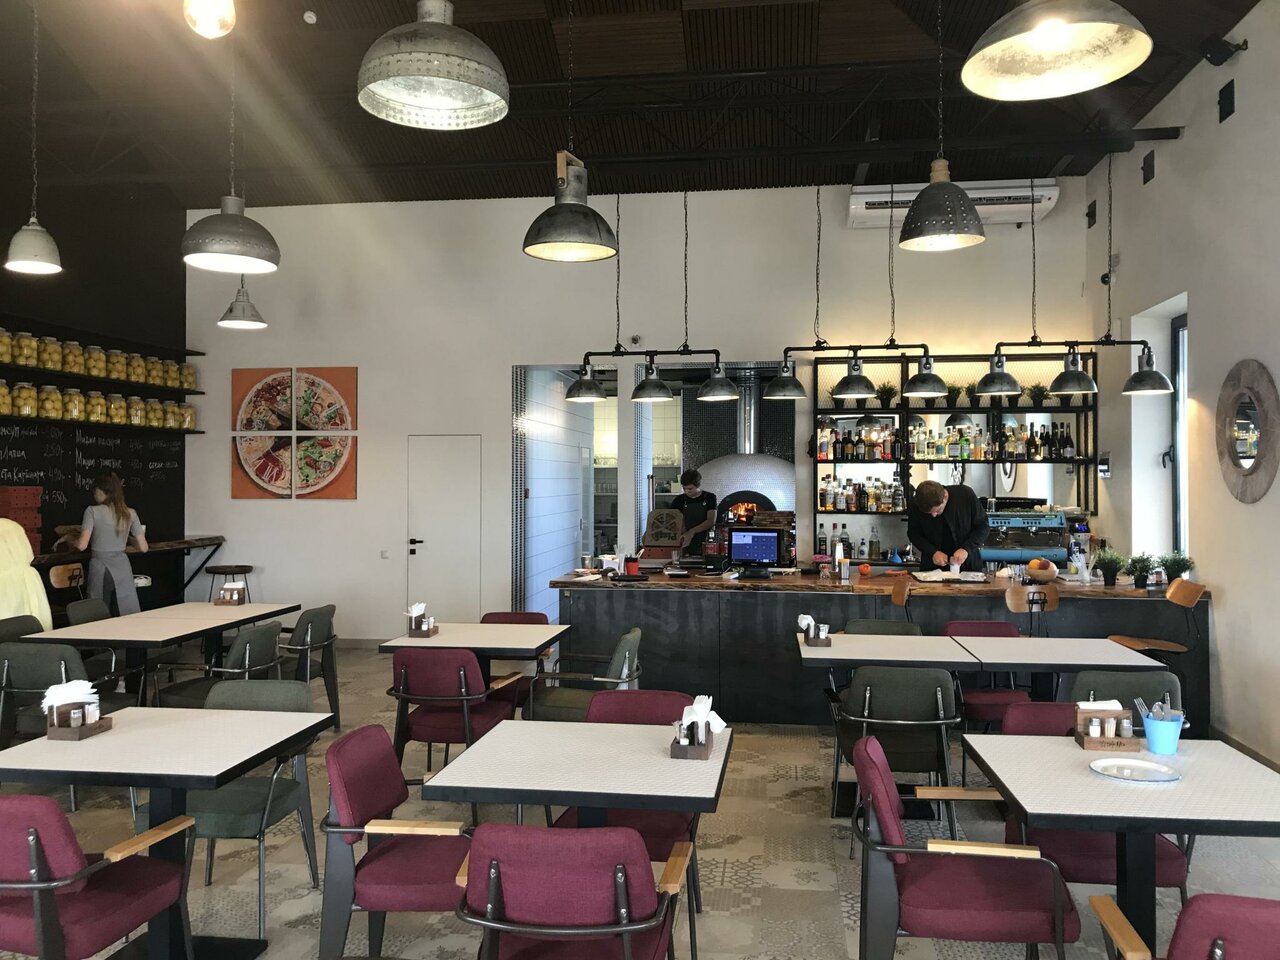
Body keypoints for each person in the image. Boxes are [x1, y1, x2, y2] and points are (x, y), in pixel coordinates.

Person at [75, 473, 148, 615]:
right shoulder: (130, 513)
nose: (94, 495)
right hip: (123, 568)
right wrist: (126, 538)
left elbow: (82, 545)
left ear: (104, 492)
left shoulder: (92, 511)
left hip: (101, 567)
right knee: (126, 612)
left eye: (95, 491)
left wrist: (69, 539)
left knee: (98, 612)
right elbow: (143, 547)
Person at [906, 480, 988, 573]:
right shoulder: (916, 504)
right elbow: (914, 534)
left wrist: (966, 549)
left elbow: (983, 526)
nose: (934, 515)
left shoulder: (965, 495)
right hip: (932, 568)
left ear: (945, 496)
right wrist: (932, 552)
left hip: (968, 566)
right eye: (929, 513)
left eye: (937, 510)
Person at [669, 469, 717, 553]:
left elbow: (711, 521)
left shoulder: (710, 497)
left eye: (690, 488)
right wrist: (684, 532)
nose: (687, 491)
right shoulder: (679, 500)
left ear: (698, 485)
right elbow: (673, 519)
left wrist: (692, 532)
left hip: (706, 541)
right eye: (684, 488)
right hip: (685, 541)